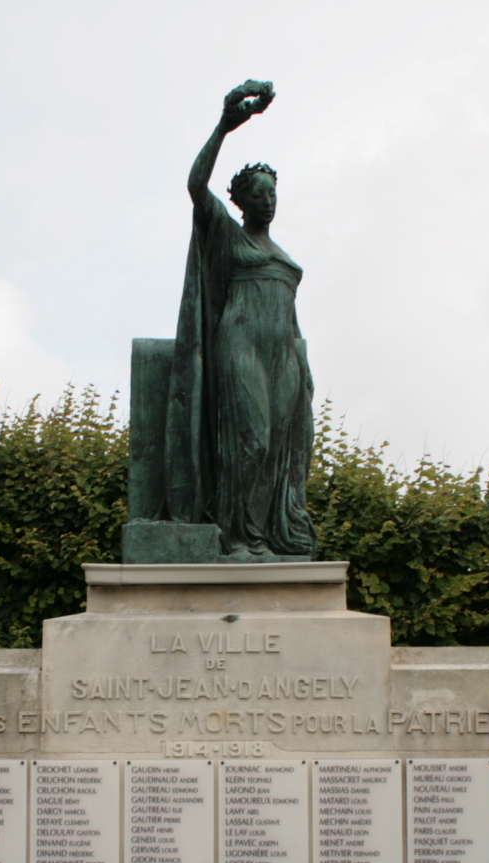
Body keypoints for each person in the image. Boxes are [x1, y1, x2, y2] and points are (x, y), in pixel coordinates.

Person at [162, 80, 316, 560]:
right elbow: (195, 186)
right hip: (242, 344)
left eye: (273, 193)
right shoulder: (230, 237)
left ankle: (265, 536)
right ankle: (238, 539)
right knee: (250, 441)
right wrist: (225, 127)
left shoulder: (284, 258)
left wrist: (301, 361)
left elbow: (290, 318)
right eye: (260, 194)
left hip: (283, 354)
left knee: (277, 450)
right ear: (242, 202)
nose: (269, 200)